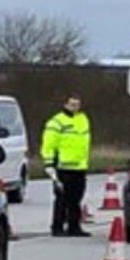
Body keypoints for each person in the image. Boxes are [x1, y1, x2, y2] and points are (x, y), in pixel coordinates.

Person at [41, 95, 92, 237]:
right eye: (72, 105)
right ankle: (57, 227)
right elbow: (49, 144)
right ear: (65, 105)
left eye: (77, 104)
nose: (75, 107)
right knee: (62, 199)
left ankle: (74, 227)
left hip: (80, 166)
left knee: (76, 198)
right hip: (63, 167)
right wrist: (49, 163)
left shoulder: (83, 119)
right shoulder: (56, 122)